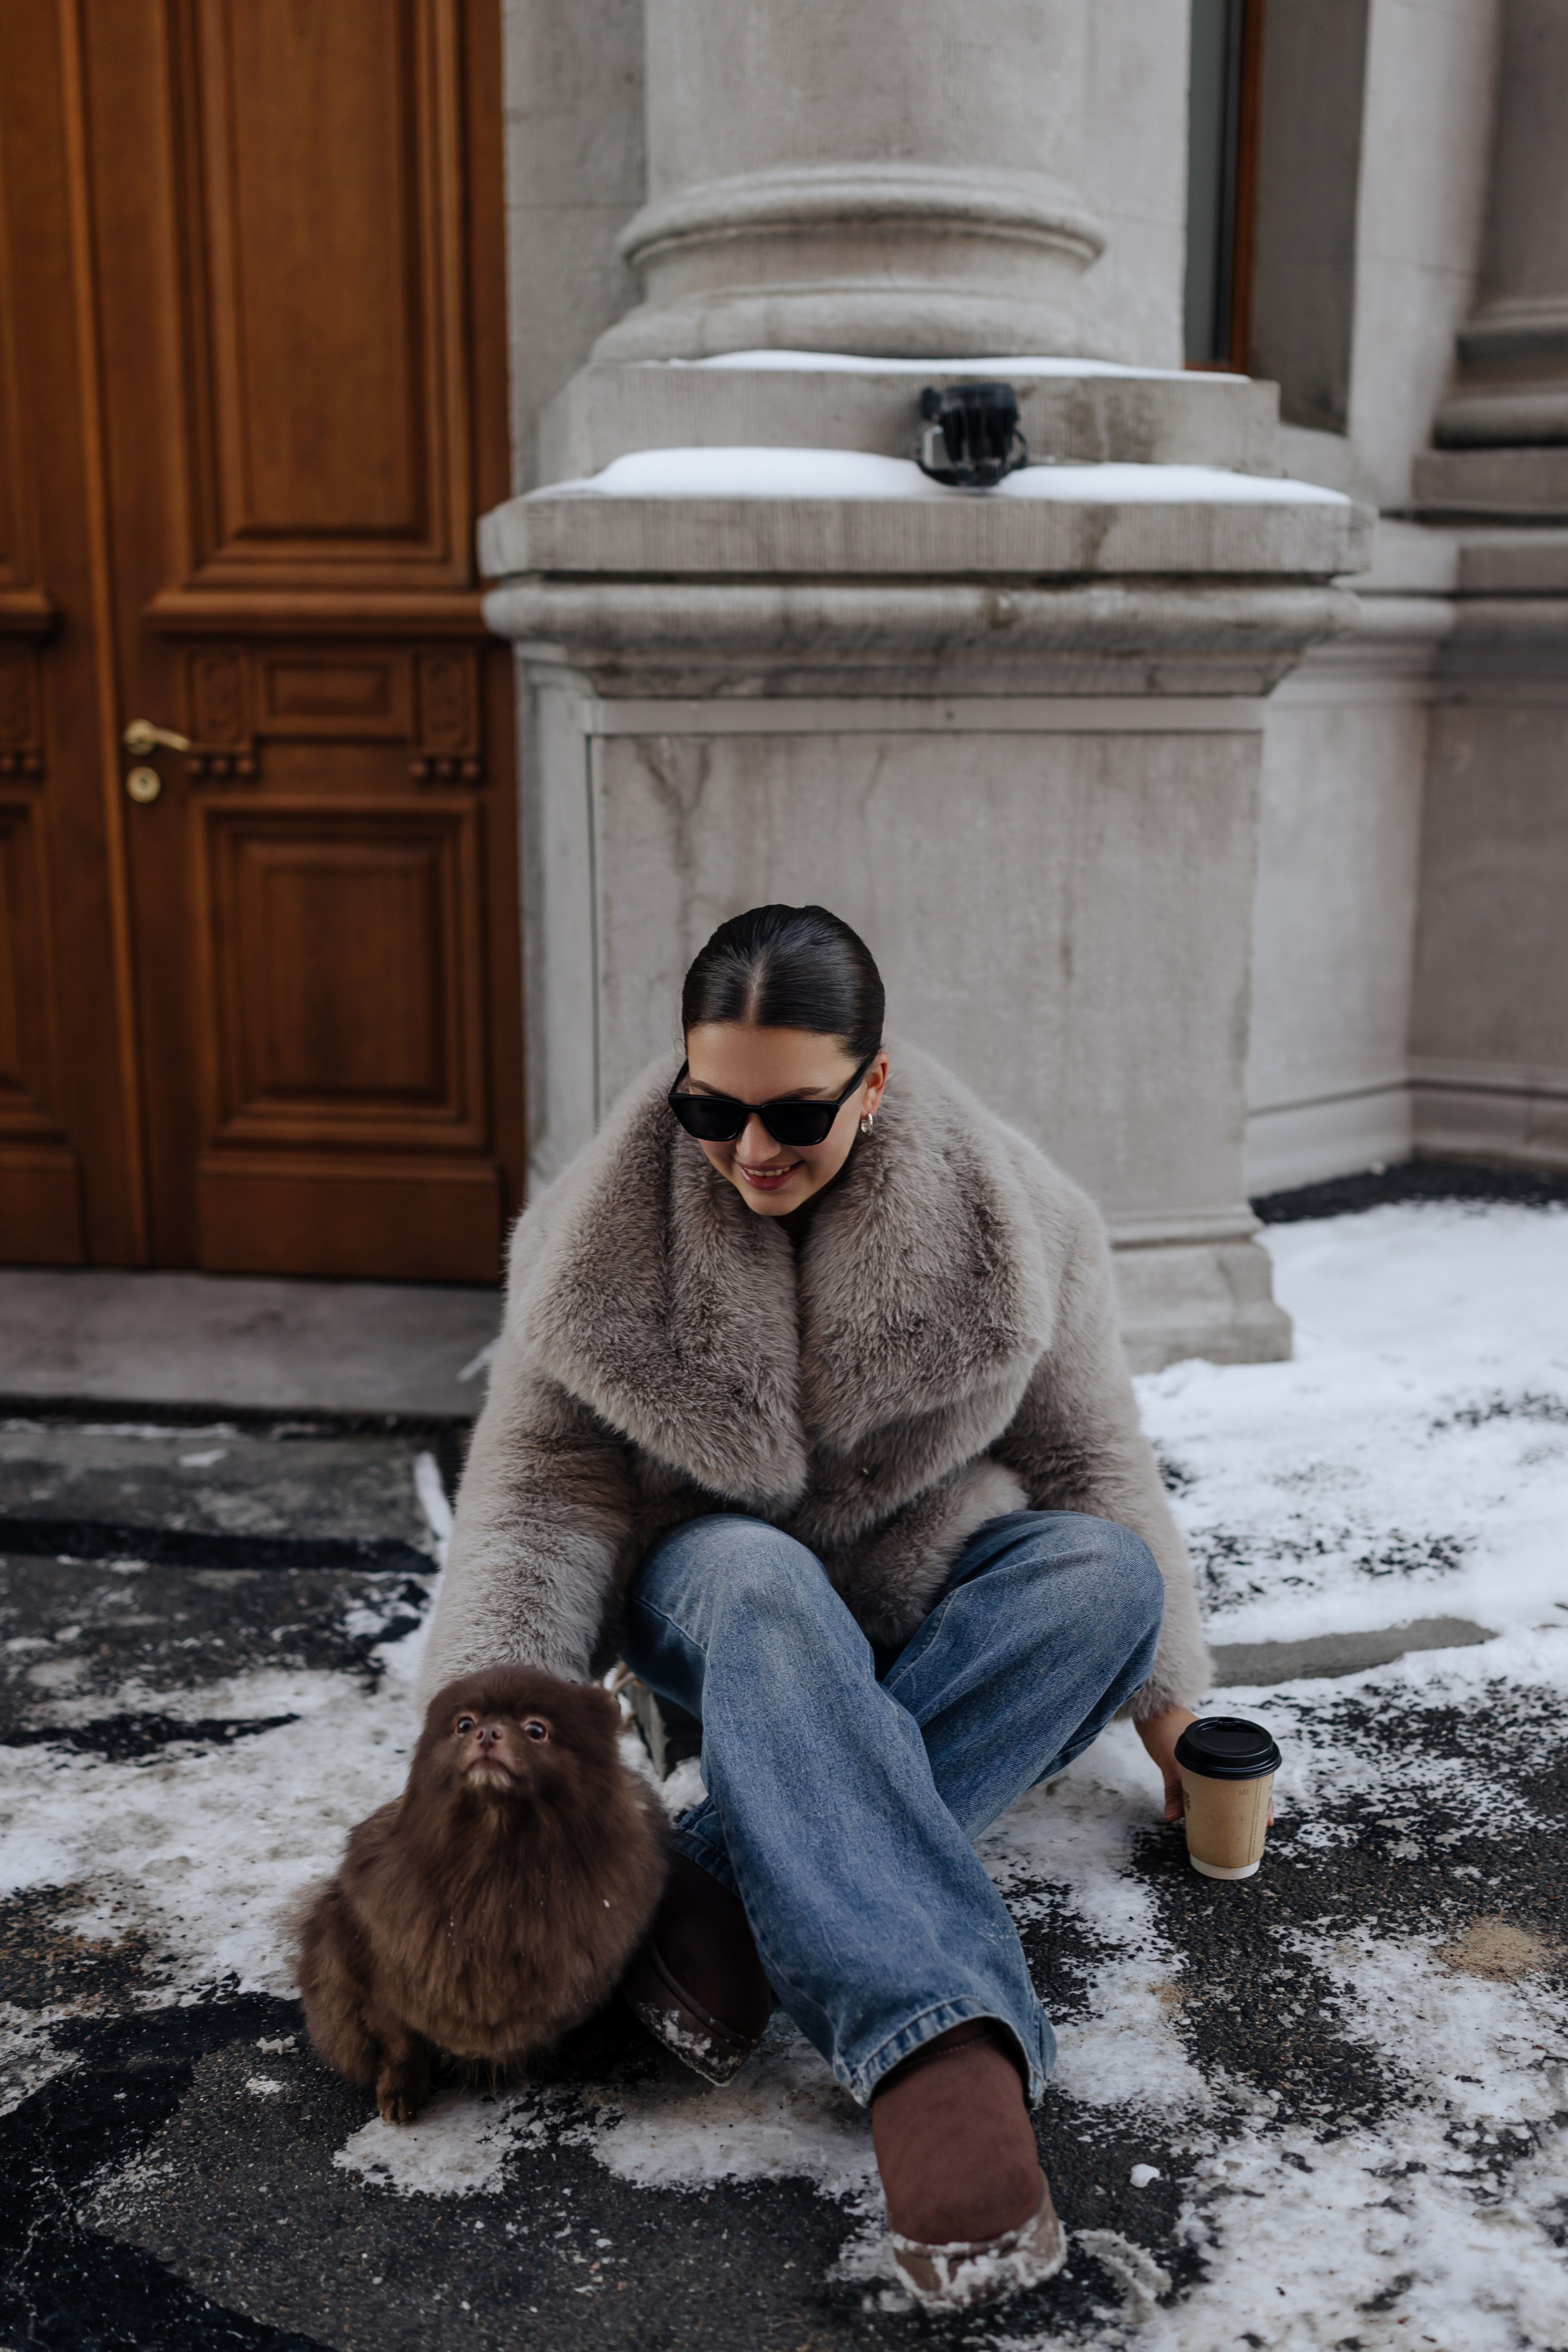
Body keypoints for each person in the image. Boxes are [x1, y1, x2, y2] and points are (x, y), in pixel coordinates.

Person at [420, 903, 1207, 2311]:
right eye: (710, 1110)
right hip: (718, 1599)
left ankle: (706, 1887)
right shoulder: (589, 1240)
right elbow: (539, 1494)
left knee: (1105, 1578)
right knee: (756, 1574)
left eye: (793, 1114)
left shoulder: (1023, 1224)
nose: (749, 1150)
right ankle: (933, 2044)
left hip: (921, 1598)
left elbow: (1091, 1462)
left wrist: (1174, 1721)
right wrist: (484, 1739)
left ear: (873, 1081)